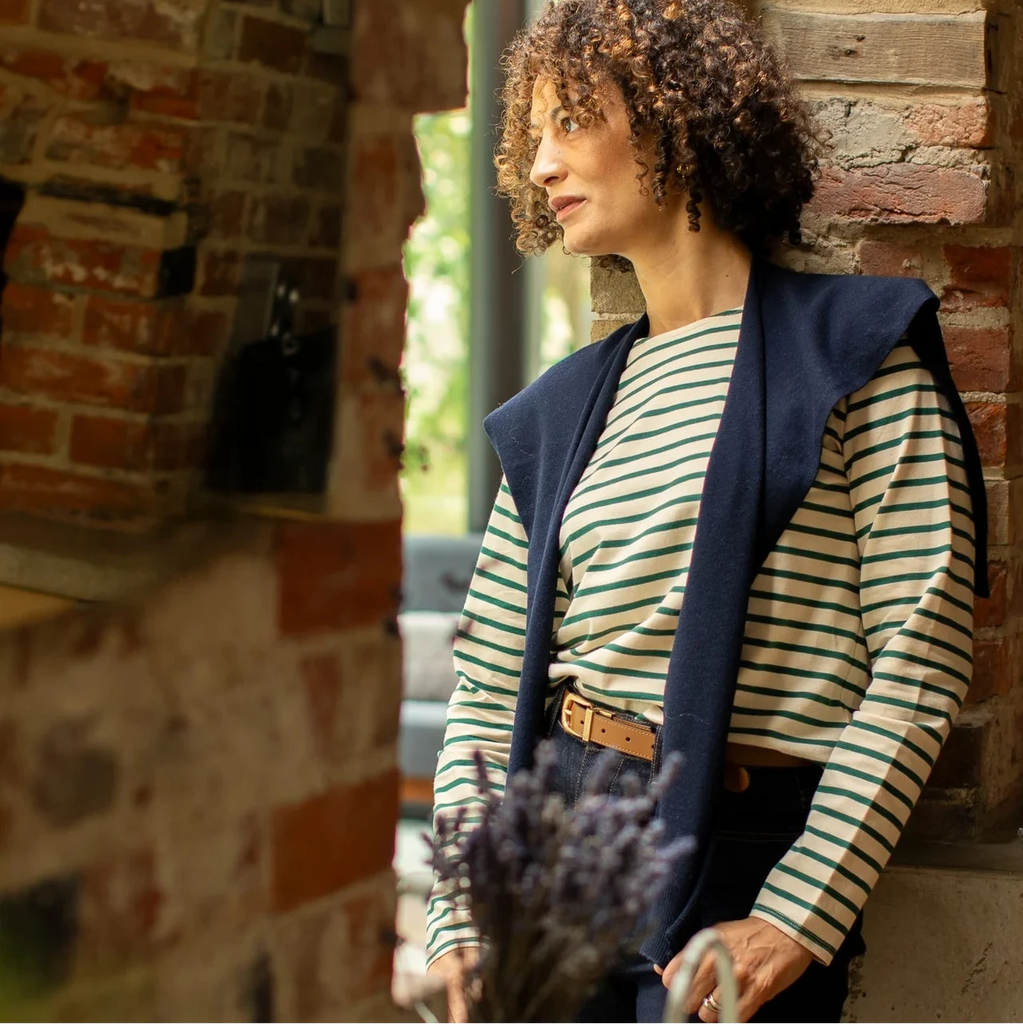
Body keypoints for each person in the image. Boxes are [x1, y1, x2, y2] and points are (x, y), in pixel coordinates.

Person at [424, 1, 988, 1022]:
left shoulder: (853, 356)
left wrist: (798, 915)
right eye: (532, 136)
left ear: (673, 121)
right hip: (561, 838)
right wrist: (462, 915)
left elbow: (921, 657)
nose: (541, 166)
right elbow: (488, 684)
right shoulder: (557, 413)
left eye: (571, 122)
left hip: (744, 846)